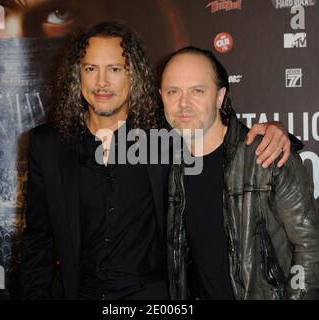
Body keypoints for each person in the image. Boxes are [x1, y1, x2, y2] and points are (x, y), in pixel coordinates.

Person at [20, 21, 296, 300]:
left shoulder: (165, 134)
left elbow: (221, 134)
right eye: (90, 69)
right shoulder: (49, 145)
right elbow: (37, 240)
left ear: (134, 76)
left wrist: (275, 131)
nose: (101, 82)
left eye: (115, 69)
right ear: (76, 76)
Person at [160, 46, 319, 300]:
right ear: (161, 97)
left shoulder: (266, 153)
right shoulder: (166, 162)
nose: (183, 103)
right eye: (172, 91)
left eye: (197, 91)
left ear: (220, 97)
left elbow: (316, 249)